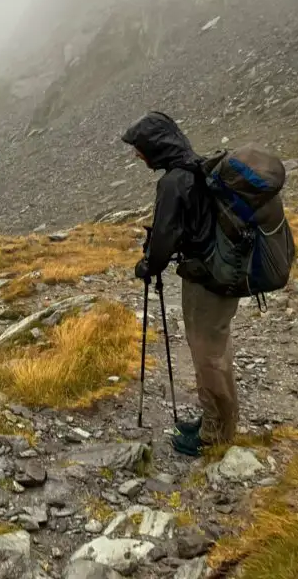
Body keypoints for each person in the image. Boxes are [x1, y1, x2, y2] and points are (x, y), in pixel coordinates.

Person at [122, 111, 240, 457]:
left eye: (140, 148)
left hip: (207, 280)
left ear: (156, 147)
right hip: (218, 274)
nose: (137, 155)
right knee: (215, 351)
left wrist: (148, 265)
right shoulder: (195, 168)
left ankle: (214, 436)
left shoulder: (174, 182)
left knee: (208, 355)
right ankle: (215, 420)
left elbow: (165, 237)